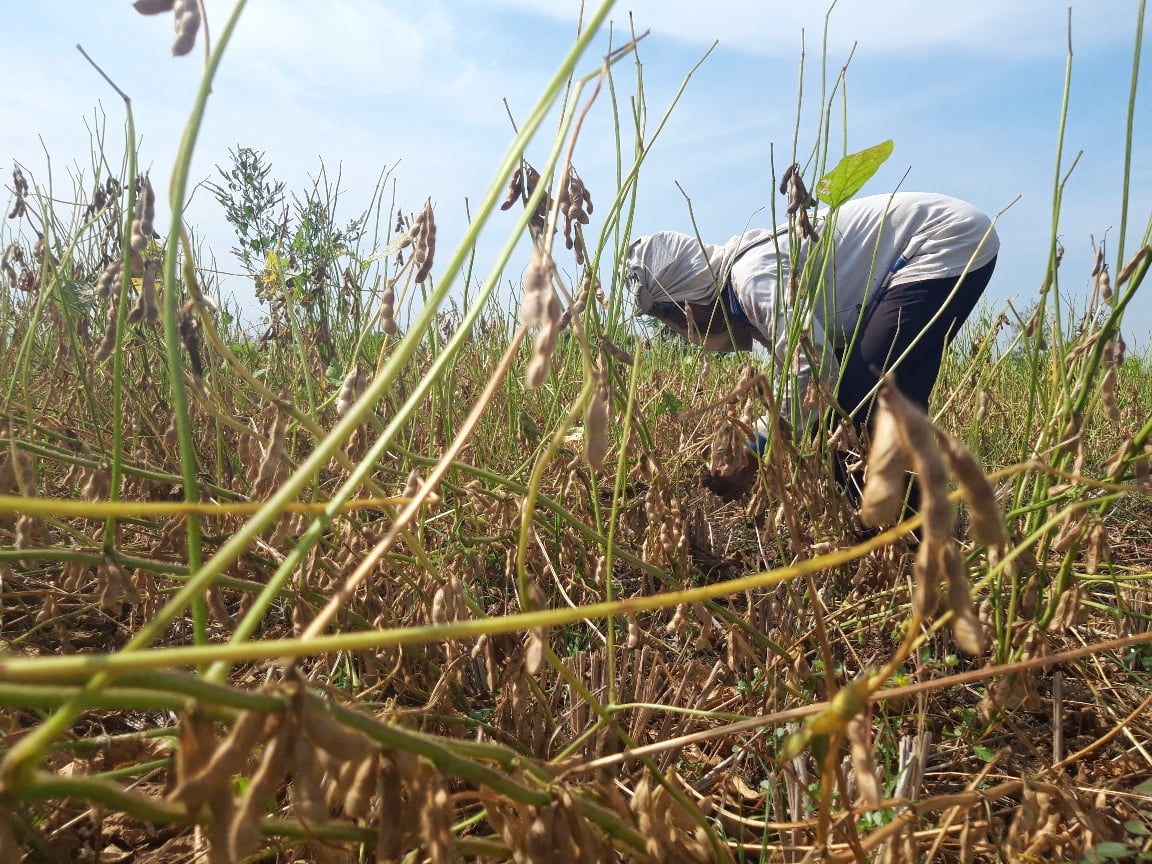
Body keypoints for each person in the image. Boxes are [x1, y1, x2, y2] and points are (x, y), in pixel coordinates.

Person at [625, 192, 999, 437]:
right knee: (842, 416)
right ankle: (892, 535)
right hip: (922, 252)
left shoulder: (751, 279)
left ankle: (912, 541)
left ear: (687, 300)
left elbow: (814, 366)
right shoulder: (742, 295)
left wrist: (756, 439)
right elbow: (812, 382)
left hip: (943, 242)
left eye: (673, 320)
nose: (684, 331)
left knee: (863, 398)